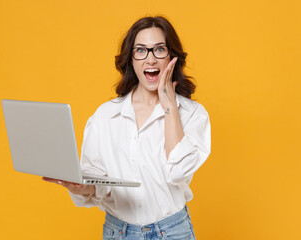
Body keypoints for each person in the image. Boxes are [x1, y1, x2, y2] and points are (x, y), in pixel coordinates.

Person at [43, 16, 211, 240]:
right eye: (141, 50)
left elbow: (178, 171)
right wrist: (80, 187)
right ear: (131, 59)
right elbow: (97, 182)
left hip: (172, 233)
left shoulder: (192, 114)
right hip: (118, 233)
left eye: (159, 49)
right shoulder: (105, 116)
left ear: (172, 57)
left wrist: (169, 104)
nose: (150, 59)